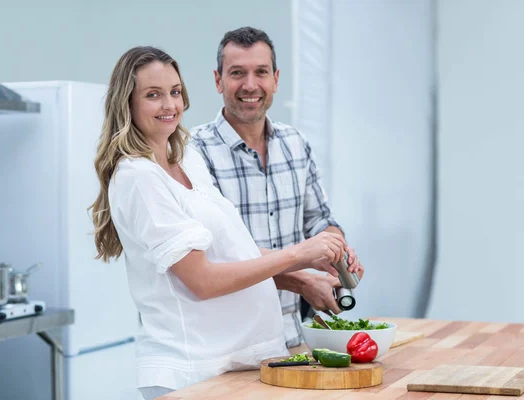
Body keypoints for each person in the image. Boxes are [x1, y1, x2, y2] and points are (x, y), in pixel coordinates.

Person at [89, 46, 358, 400]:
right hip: (193, 371)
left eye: (174, 91)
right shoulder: (138, 177)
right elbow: (201, 280)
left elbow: (229, 251)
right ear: (127, 103)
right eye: (153, 95)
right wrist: (296, 254)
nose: (170, 105)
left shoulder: (185, 158)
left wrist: (307, 266)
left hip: (238, 364)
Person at [190, 27, 364, 349]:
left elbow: (319, 220)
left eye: (261, 72)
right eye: (237, 73)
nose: (250, 85)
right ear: (218, 80)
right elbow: (216, 256)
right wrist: (301, 281)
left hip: (292, 339)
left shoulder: (296, 143)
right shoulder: (193, 152)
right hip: (228, 347)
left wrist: (337, 252)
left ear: (276, 79)